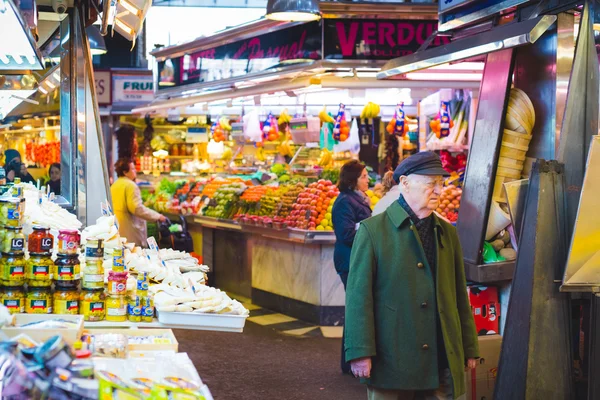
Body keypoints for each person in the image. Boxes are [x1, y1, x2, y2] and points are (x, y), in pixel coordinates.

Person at [344, 151, 479, 400]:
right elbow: (357, 297)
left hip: (440, 356)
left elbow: (459, 295)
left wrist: (469, 346)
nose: (439, 190)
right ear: (405, 183)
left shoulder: (447, 234)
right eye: (431, 183)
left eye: (441, 183)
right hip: (392, 359)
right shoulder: (373, 232)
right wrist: (359, 351)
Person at [332, 159, 372, 374]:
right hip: (348, 261)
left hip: (356, 259)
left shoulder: (358, 199)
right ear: (353, 180)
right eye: (364, 176)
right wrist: (369, 230)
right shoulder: (345, 202)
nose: (368, 179)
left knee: (356, 308)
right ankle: (350, 361)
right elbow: (346, 234)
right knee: (356, 309)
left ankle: (350, 360)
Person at [111, 158, 167, 247]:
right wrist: (157, 216)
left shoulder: (115, 184)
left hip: (118, 230)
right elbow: (137, 208)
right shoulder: (130, 185)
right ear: (125, 172)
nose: (135, 171)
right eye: (132, 169)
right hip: (130, 233)